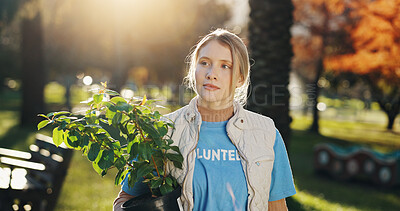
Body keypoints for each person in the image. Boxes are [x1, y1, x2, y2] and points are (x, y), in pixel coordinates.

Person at [113, 29, 296, 211]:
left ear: (240, 78)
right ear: (194, 70)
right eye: (204, 63)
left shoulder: (266, 133)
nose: (211, 74)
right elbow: (125, 200)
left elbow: (276, 206)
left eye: (225, 66)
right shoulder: (162, 131)